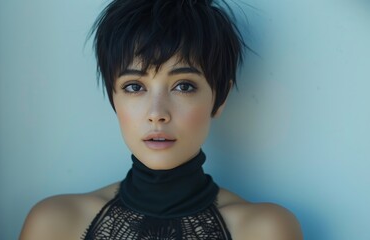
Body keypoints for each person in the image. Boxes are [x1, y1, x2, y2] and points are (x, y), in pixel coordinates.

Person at [20, 0, 303, 239]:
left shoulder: (265, 230)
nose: (157, 113)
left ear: (220, 98)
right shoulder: (54, 224)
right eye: (134, 86)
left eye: (183, 86)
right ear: (113, 97)